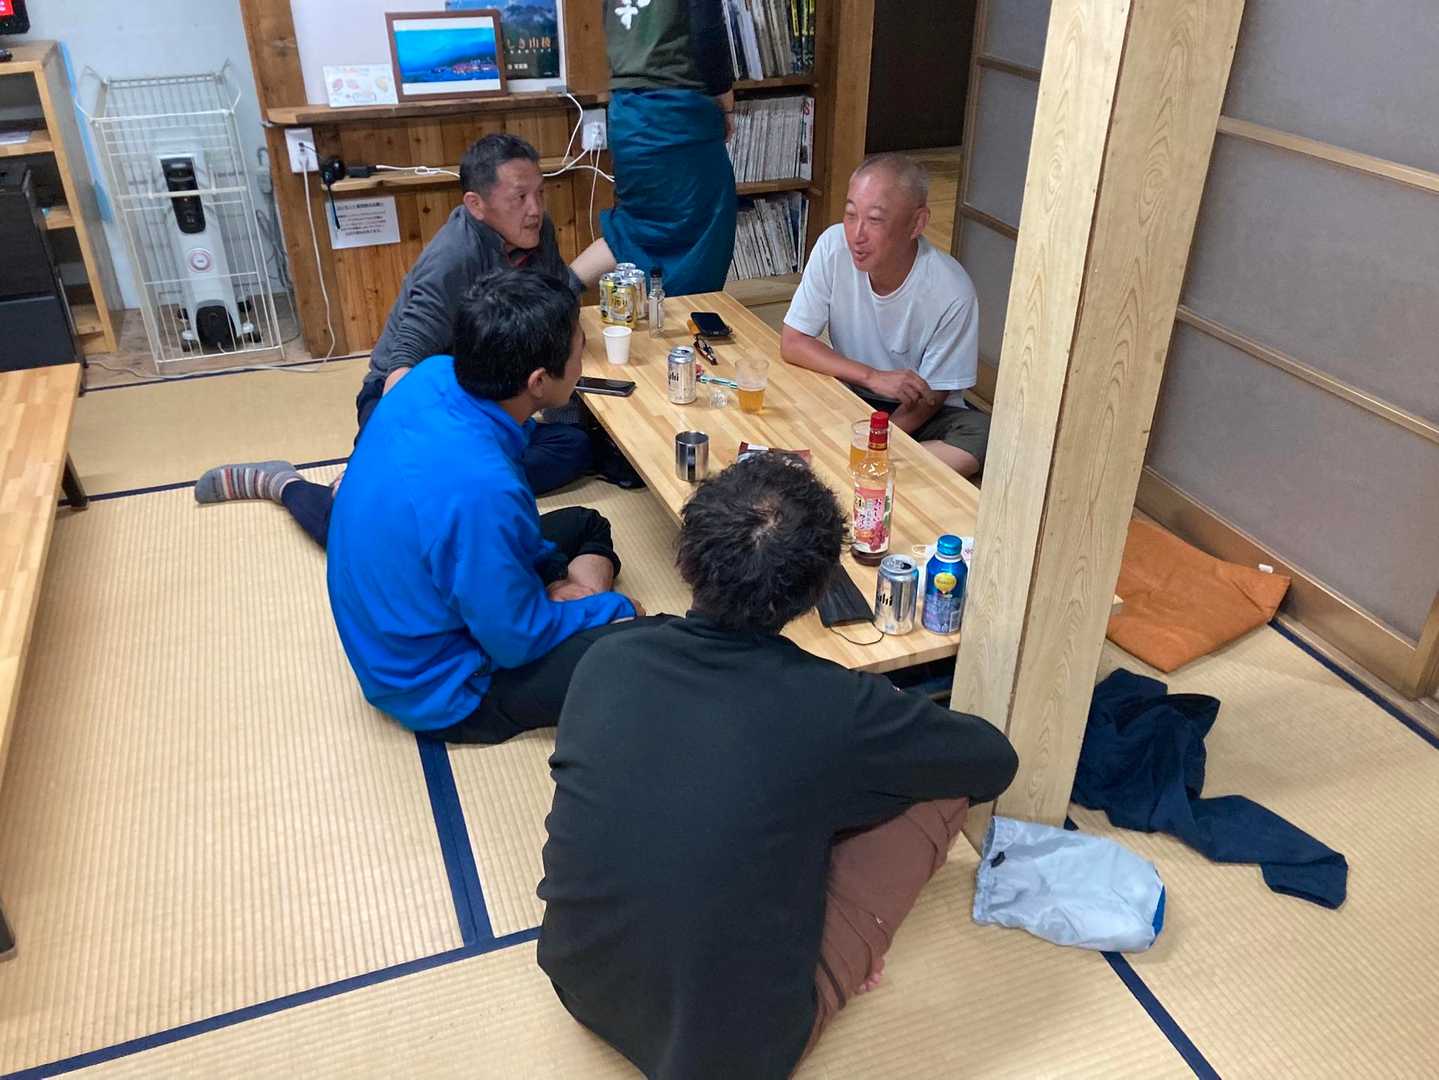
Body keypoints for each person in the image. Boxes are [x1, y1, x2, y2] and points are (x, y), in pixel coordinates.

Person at [537, 454, 1019, 1078]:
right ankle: (834, 962)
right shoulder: (837, 704)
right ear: (818, 590)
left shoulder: (606, 659)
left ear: (686, 561)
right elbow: (991, 762)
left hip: (576, 980)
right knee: (936, 790)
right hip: (730, 1058)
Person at [194, 134, 598, 546]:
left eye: (540, 193)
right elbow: (402, 363)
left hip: (486, 399)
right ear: (476, 205)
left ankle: (438, 485)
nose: (535, 209)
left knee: (573, 447)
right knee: (361, 530)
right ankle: (283, 483)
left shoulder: (537, 232)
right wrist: (393, 446)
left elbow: (553, 308)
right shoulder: (454, 258)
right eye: (519, 197)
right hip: (409, 396)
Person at [327, 269, 652, 741]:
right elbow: (514, 643)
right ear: (538, 381)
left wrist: (559, 594)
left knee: (586, 523)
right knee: (649, 638)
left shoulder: (434, 375)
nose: (583, 363)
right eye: (579, 352)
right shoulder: (482, 487)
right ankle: (570, 607)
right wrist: (608, 608)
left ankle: (562, 598)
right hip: (443, 685)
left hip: (405, 612)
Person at [781, 153, 991, 478]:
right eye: (851, 214)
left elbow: (932, 397)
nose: (857, 234)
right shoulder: (833, 246)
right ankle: (887, 469)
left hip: (916, 412)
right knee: (793, 387)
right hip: (852, 386)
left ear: (917, 223)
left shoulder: (951, 290)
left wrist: (876, 443)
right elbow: (793, 342)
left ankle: (857, 465)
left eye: (875, 220)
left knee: (983, 434)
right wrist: (871, 376)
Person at [570, 0, 737, 296]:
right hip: (678, 112)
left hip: (627, 113)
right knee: (705, 230)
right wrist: (725, 101)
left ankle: (554, 293)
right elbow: (706, 27)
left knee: (638, 227)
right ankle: (683, 323)